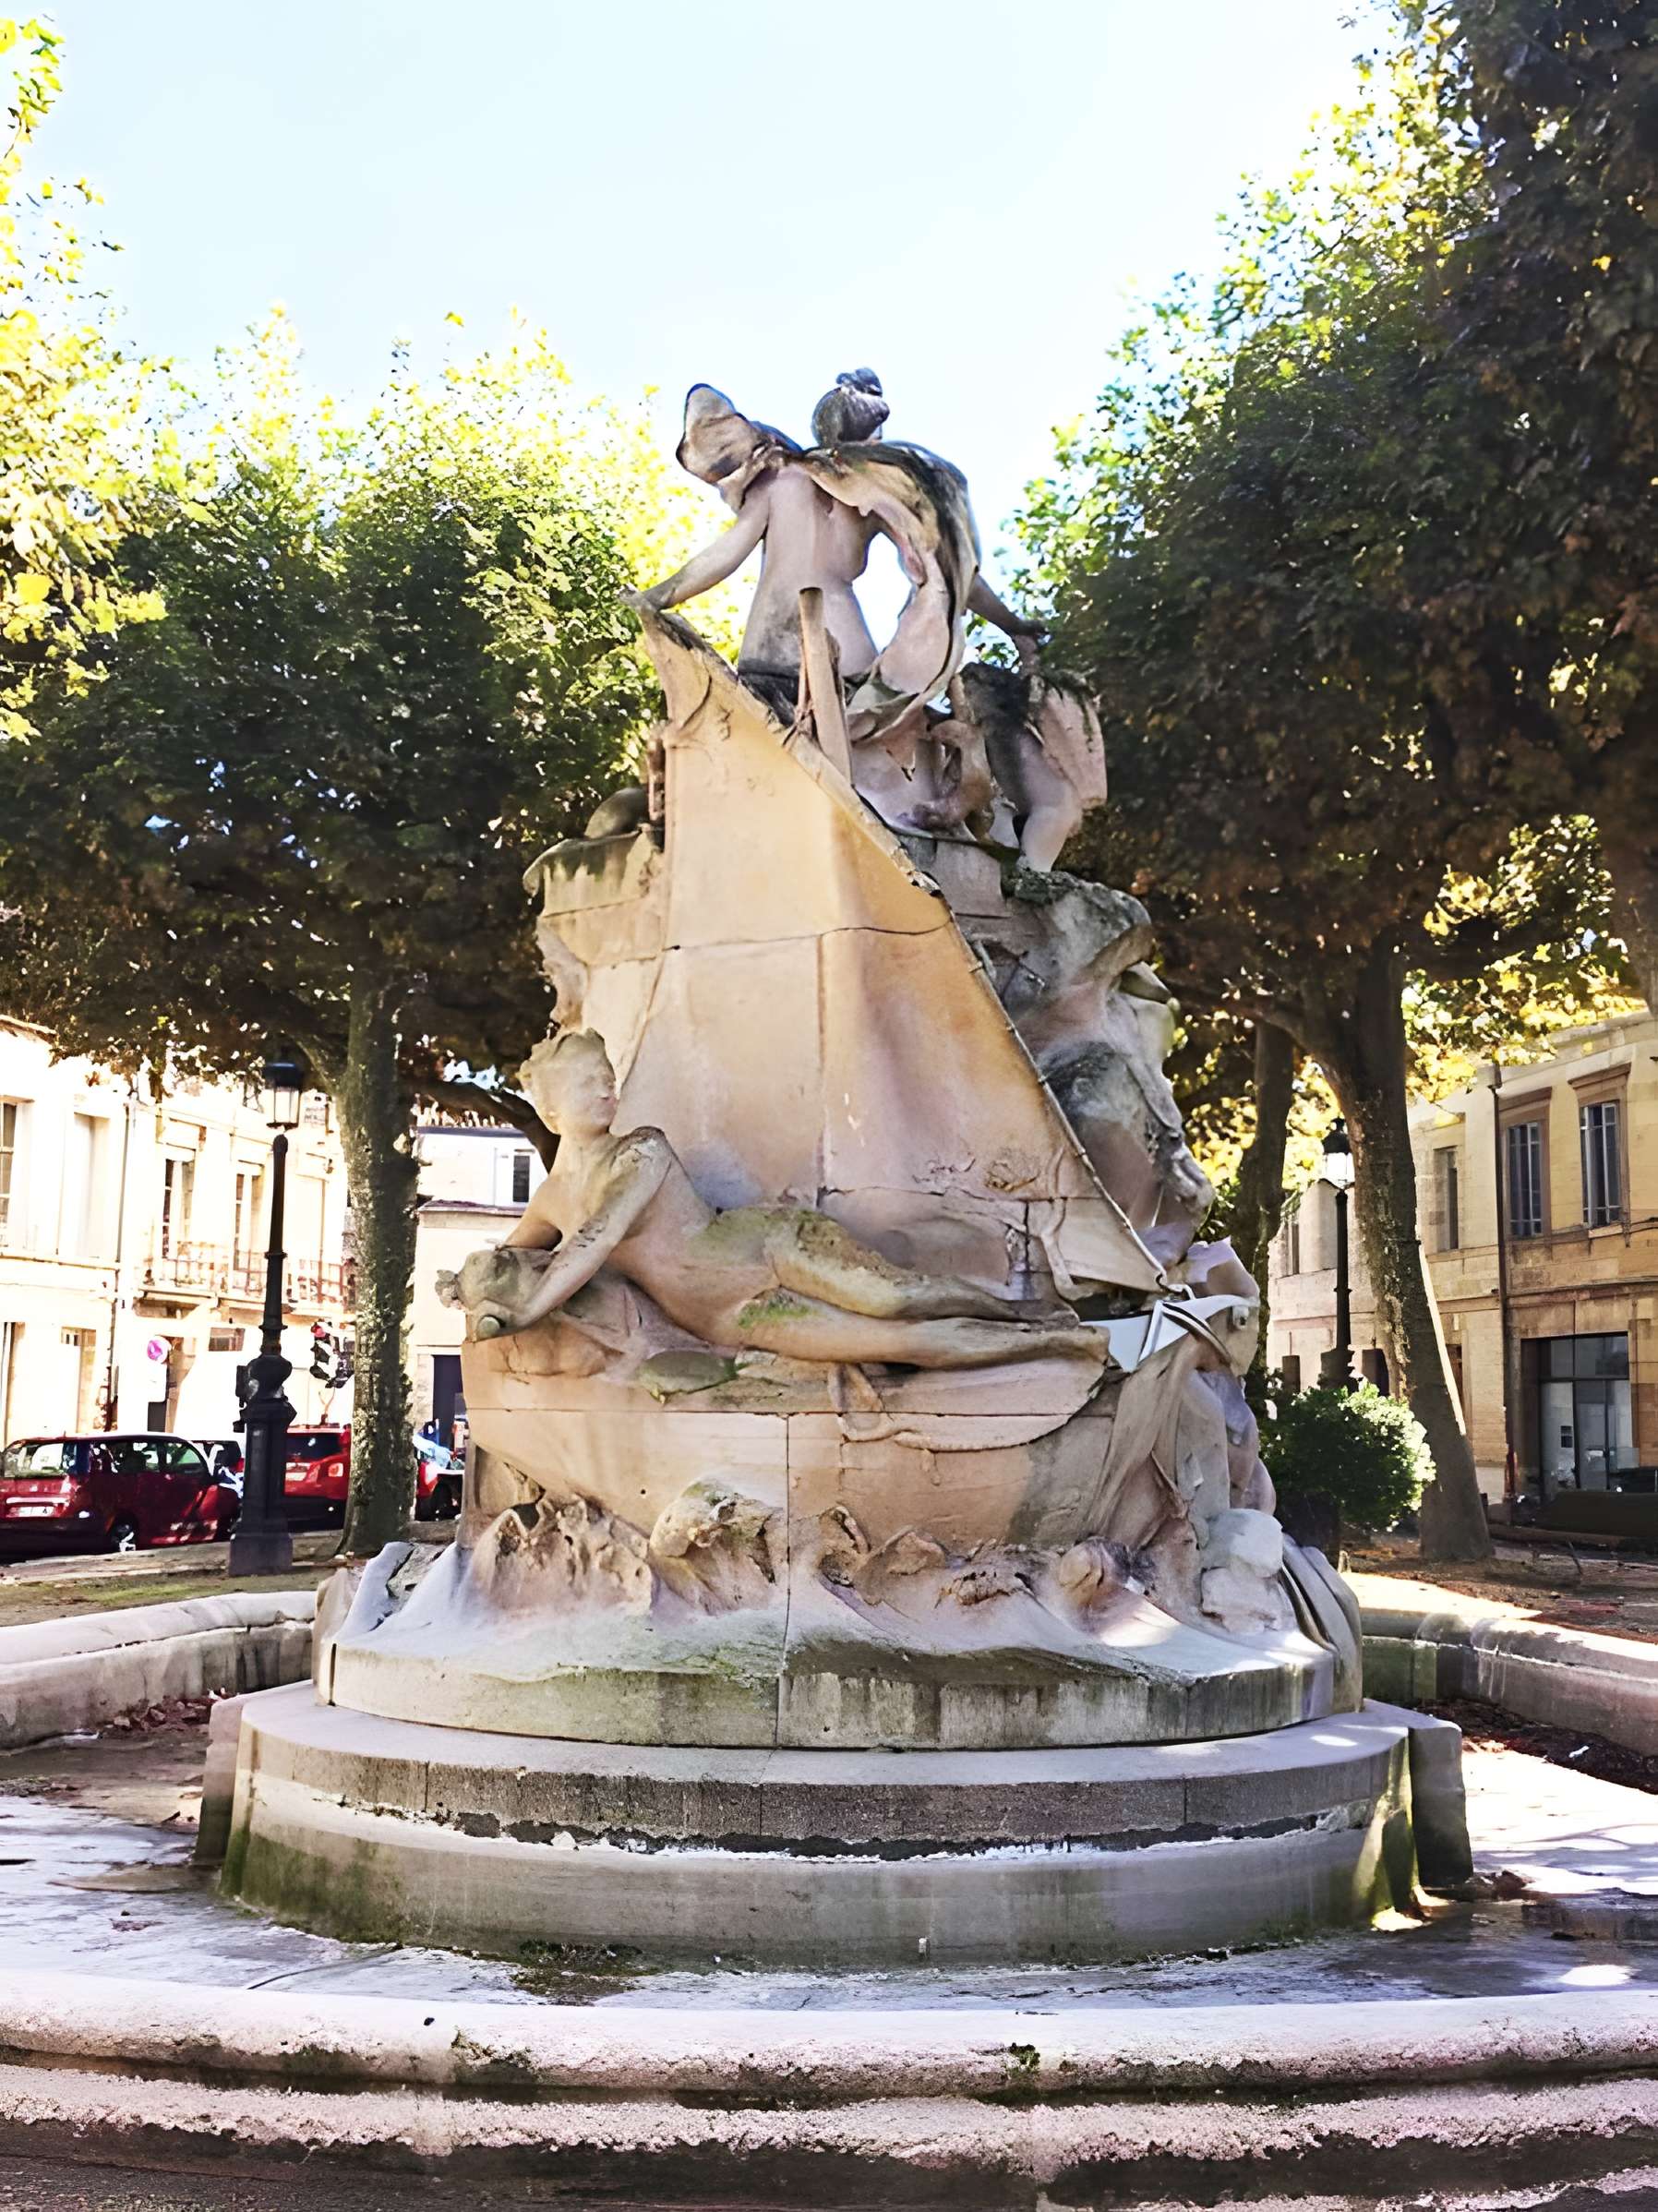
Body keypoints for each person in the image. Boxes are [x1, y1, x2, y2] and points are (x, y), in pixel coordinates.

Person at [456, 1031, 1105, 1373]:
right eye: (589, 1083)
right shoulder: (548, 1199)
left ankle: (1024, 1317)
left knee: (899, 1296)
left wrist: (523, 1312)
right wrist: (479, 1297)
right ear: (549, 1106)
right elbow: (507, 1261)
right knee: (904, 1342)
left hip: (766, 1242)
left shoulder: (642, 1149)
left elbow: (596, 1239)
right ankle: (1056, 1347)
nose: (607, 1090)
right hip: (732, 1315)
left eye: (610, 1078)